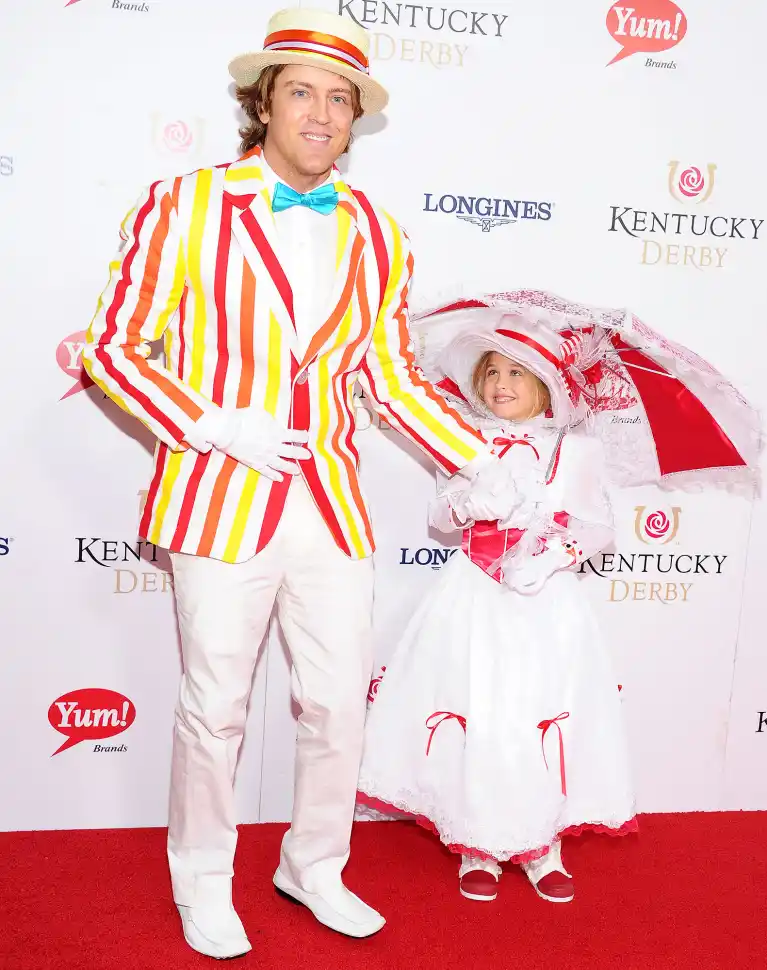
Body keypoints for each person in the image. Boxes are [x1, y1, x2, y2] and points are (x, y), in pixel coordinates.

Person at [82, 7, 518, 959]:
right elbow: (110, 350)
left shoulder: (377, 231)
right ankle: (202, 877)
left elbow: (391, 377)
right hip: (216, 496)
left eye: (340, 98)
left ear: (356, 116)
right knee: (216, 707)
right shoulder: (183, 205)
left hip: (330, 504)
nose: (322, 113)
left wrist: (479, 456)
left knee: (333, 702)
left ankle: (313, 864)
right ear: (262, 103)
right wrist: (208, 423)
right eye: (302, 92)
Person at [357, 315, 638, 903]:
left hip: (544, 602)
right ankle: (476, 844)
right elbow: (439, 516)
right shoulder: (464, 438)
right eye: (491, 373)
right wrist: (471, 505)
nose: (500, 384)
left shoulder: (575, 451)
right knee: (476, 707)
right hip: (473, 597)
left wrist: (553, 554)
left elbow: (600, 526)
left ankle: (542, 846)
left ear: (547, 384)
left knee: (537, 714)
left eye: (516, 372)